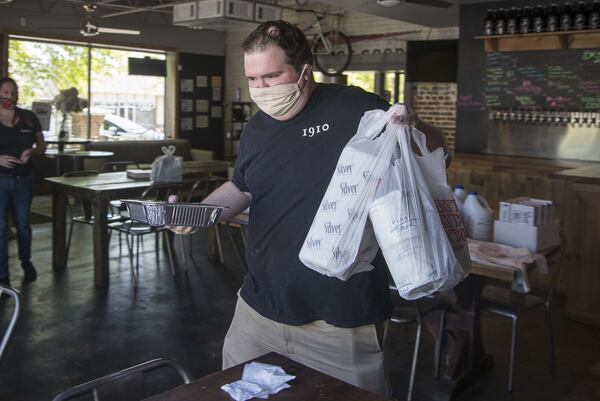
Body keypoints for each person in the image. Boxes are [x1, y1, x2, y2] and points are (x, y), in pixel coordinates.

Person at [174, 20, 449, 397]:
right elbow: (241, 187)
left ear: (305, 72)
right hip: (258, 308)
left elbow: (435, 147)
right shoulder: (257, 128)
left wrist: (415, 126)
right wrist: (197, 213)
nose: (260, 89)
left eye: (271, 76)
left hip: (340, 319)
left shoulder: (356, 108)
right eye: (253, 79)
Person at [0, 77, 46, 286]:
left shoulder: (29, 117)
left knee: (23, 223)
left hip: (24, 179)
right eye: (6, 91)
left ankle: (26, 261)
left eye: (14, 91)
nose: (10, 95)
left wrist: (32, 151)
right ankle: (2, 274)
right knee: (0, 227)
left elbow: (42, 145)